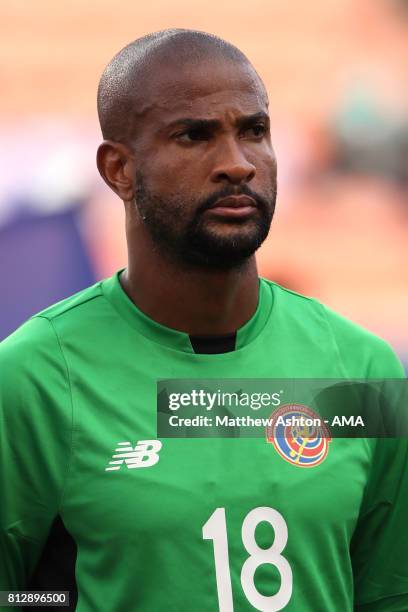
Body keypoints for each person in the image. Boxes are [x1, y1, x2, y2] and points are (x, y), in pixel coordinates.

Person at [0, 28, 407, 612]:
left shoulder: (362, 369)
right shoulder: (33, 377)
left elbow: (387, 591)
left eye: (254, 132)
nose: (237, 164)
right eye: (194, 135)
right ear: (118, 169)